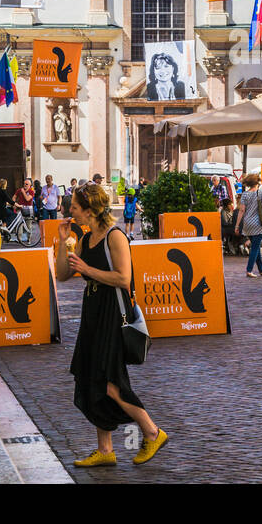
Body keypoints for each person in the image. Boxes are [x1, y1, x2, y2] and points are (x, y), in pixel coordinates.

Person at [63, 183, 168, 466]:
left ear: (89, 209)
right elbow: (63, 274)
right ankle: (106, 451)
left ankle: (151, 431)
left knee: (110, 383)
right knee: (91, 378)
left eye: (74, 206)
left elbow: (123, 278)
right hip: (93, 312)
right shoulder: (85, 238)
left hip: (113, 313)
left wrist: (87, 270)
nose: (70, 211)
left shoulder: (115, 236)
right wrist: (63, 244)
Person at [236, 172, 262, 278]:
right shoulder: (260, 192)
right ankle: (249, 269)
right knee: (255, 248)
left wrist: (237, 225)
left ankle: (261, 269)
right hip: (258, 224)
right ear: (257, 182)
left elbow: (241, 210)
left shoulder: (245, 194)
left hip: (247, 224)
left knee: (255, 246)